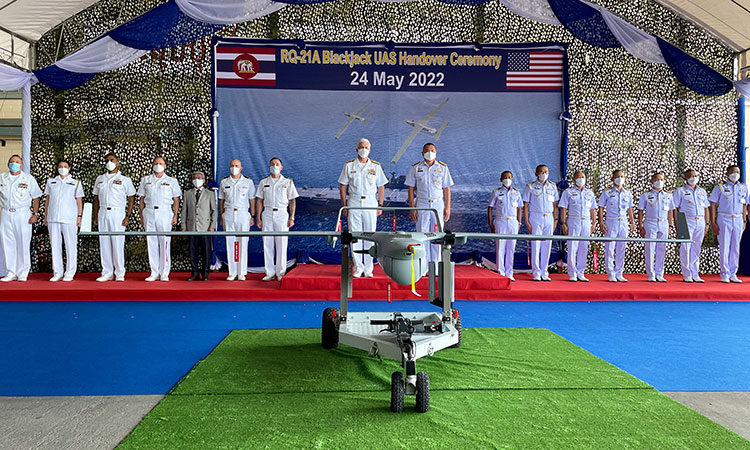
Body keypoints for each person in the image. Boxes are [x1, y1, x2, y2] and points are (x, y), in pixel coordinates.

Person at [338, 138, 387, 277]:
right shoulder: (349, 165)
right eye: (361, 147)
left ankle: (368, 268)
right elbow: (343, 186)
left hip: (371, 202)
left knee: (370, 234)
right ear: (356, 149)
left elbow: (381, 186)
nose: (363, 149)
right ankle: (358, 267)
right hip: (354, 201)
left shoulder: (376, 166)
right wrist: (344, 205)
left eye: (366, 147)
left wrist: (380, 204)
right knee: (355, 235)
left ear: (369, 150)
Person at [406, 143, 454, 263]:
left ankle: (436, 264)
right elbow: (410, 188)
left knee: (437, 235)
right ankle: (423, 265)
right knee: (422, 234)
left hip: (438, 204)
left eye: (432, 150)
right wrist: (412, 208)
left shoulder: (443, 168)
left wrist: (447, 207)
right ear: (422, 153)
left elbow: (446, 189)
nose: (430, 153)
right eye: (427, 150)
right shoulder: (416, 168)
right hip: (422, 204)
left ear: (436, 152)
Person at [93, 153, 135, 282]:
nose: (109, 162)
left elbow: (131, 198)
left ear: (117, 163)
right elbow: (96, 198)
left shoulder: (125, 179)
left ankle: (120, 272)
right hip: (103, 212)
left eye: (112, 160)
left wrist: (128, 216)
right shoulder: (100, 178)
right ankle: (107, 272)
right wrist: (95, 216)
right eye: (107, 160)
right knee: (104, 243)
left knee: (117, 243)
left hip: (118, 213)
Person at [137, 157, 181, 282]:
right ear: (152, 165)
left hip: (165, 212)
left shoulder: (171, 181)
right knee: (151, 242)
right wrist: (141, 215)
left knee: (165, 242)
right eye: (156, 163)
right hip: (149, 212)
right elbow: (141, 199)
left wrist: (175, 215)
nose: (158, 165)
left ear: (165, 166)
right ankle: (154, 272)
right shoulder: (146, 180)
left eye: (160, 163)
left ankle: (164, 272)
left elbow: (176, 199)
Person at [0, 155, 42, 282]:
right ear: (8, 164)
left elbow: (36, 197)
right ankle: (10, 272)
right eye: (12, 162)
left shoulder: (28, 179)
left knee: (23, 242)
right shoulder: (2, 177)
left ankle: (23, 272)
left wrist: (35, 214)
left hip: (22, 213)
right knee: (7, 243)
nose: (14, 164)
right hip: (6, 212)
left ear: (21, 165)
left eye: (17, 162)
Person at [256, 158, 299, 281]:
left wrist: (292, 217)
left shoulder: (288, 182)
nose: (274, 166)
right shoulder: (263, 182)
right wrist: (258, 218)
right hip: (267, 213)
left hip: (282, 214)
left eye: (277, 164)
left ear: (281, 167)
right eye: (272, 164)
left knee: (281, 244)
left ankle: (280, 273)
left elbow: (292, 201)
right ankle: (269, 273)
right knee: (267, 244)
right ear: (269, 166)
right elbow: (259, 201)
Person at [43, 160, 84, 281]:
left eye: (65, 166)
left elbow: (79, 201)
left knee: (70, 245)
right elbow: (48, 200)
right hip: (53, 218)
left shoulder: (75, 183)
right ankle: (57, 272)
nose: (62, 168)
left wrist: (79, 216)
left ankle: (70, 272)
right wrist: (46, 216)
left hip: (69, 218)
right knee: (55, 245)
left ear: (69, 168)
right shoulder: (51, 182)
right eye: (60, 166)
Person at [709, 164, 748, 283]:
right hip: (724, 218)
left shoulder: (743, 188)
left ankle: (733, 273)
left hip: (738, 219)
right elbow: (712, 204)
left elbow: (745, 205)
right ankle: (725, 273)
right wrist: (713, 222)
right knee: (725, 246)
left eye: (737, 172)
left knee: (735, 247)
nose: (735, 174)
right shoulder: (720, 187)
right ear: (727, 174)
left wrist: (744, 220)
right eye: (732, 172)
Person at [597, 169, 636, 282]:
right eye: (618, 177)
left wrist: (632, 222)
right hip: (611, 221)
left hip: (623, 221)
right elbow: (601, 207)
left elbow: (630, 208)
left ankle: (619, 272)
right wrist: (601, 222)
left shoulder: (627, 193)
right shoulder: (607, 192)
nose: (620, 179)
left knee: (621, 248)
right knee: (610, 248)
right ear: (612, 179)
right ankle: (610, 273)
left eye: (622, 176)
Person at [219, 159, 255, 281]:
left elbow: (252, 200)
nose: (234, 168)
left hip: (243, 214)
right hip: (228, 213)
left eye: (236, 166)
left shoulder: (248, 182)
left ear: (241, 168)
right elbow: (221, 201)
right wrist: (221, 216)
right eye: (232, 166)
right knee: (230, 242)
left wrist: (252, 216)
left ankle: (241, 272)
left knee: (243, 242)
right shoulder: (224, 182)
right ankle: (232, 272)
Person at [558, 170, 597, 282]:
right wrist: (563, 223)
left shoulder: (589, 193)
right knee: (572, 247)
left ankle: (581, 272)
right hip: (573, 221)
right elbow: (563, 209)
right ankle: (572, 273)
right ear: (574, 179)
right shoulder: (568, 192)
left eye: (583, 177)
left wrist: (594, 223)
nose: (581, 179)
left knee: (583, 247)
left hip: (586, 222)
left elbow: (592, 209)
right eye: (578, 177)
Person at [672, 169, 709, 283]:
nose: (694, 178)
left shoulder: (702, 191)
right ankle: (687, 274)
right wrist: (678, 224)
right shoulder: (680, 191)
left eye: (695, 175)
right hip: (687, 221)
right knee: (686, 248)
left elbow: (706, 207)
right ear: (685, 178)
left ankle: (695, 273)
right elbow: (675, 208)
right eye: (691, 176)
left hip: (700, 221)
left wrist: (707, 223)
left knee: (696, 247)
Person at [523, 164, 558, 281]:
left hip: (549, 217)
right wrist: (527, 221)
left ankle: (544, 271)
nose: (544, 174)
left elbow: (555, 205)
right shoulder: (530, 186)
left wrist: (556, 220)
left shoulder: (552, 186)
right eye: (542, 172)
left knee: (547, 245)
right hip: (535, 217)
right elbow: (526, 205)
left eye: (546, 171)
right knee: (536, 245)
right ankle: (536, 272)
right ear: (536, 173)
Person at [638, 172, 675, 282]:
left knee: (662, 248)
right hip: (650, 222)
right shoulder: (646, 195)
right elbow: (640, 211)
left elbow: (670, 211)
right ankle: (651, 273)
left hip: (663, 223)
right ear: (652, 181)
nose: (659, 181)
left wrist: (670, 225)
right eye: (657, 179)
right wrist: (640, 225)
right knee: (650, 248)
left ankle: (659, 273)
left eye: (661, 179)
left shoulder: (668, 195)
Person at [181, 171, 216, 281]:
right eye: (195, 178)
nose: (197, 180)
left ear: (204, 180)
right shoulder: (187, 194)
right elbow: (184, 211)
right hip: (192, 227)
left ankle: (205, 273)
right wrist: (183, 227)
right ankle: (194, 272)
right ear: (192, 181)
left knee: (206, 251)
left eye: (200, 178)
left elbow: (214, 211)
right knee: (193, 251)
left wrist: (212, 226)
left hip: (206, 228)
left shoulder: (210, 194)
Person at [487, 171, 521, 280]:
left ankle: (509, 272)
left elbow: (520, 208)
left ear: (512, 179)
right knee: (500, 247)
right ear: (501, 179)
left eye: (509, 177)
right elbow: (490, 207)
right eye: (505, 177)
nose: (507, 179)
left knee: (511, 248)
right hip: (500, 221)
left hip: (513, 221)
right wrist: (490, 223)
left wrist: (519, 222)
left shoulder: (516, 192)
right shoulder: (496, 192)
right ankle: (500, 272)